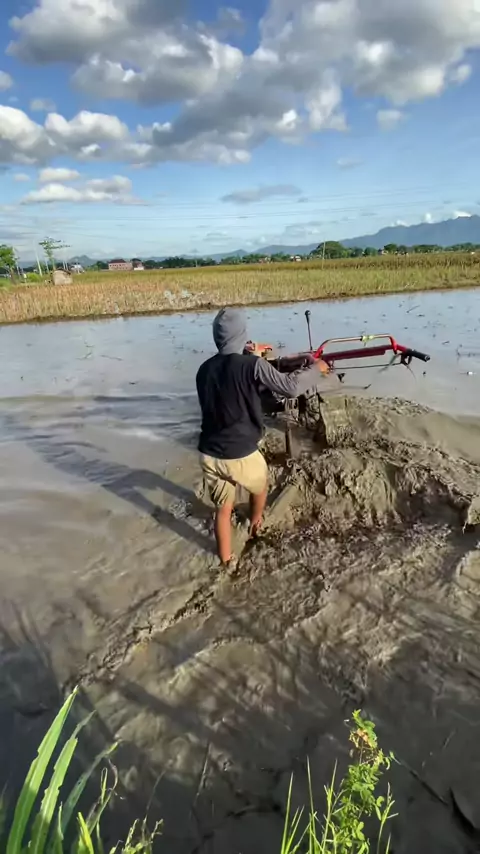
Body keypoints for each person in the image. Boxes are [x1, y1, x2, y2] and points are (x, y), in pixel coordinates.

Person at [196, 307, 329, 566]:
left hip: (209, 453)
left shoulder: (204, 369)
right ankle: (256, 522)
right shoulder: (253, 365)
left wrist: (251, 353)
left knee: (223, 510)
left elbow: (230, 377)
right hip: (241, 454)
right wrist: (316, 368)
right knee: (260, 487)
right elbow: (290, 387)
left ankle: (226, 561)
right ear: (242, 334)